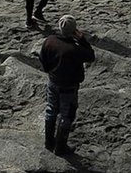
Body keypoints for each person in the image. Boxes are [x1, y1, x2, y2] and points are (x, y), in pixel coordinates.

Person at [40, 14, 95, 156]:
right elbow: (91, 56)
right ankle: (60, 147)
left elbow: (43, 59)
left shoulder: (49, 40)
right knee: (67, 115)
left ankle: (48, 142)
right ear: (74, 30)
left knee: (51, 109)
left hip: (53, 81)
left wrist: (50, 72)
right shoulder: (74, 49)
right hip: (69, 87)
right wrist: (82, 39)